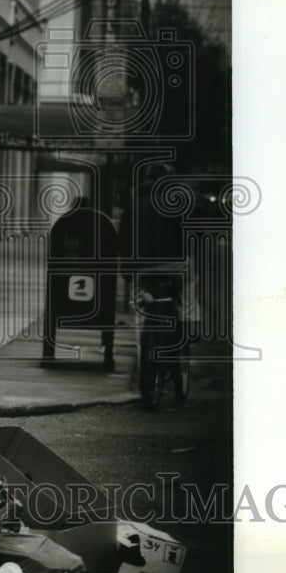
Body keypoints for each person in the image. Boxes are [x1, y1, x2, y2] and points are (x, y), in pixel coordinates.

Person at [118, 163, 199, 402]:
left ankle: (145, 360)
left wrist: (127, 270)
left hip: (141, 268)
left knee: (141, 312)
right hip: (174, 267)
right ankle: (189, 322)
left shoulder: (133, 205)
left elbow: (124, 238)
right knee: (190, 280)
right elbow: (190, 235)